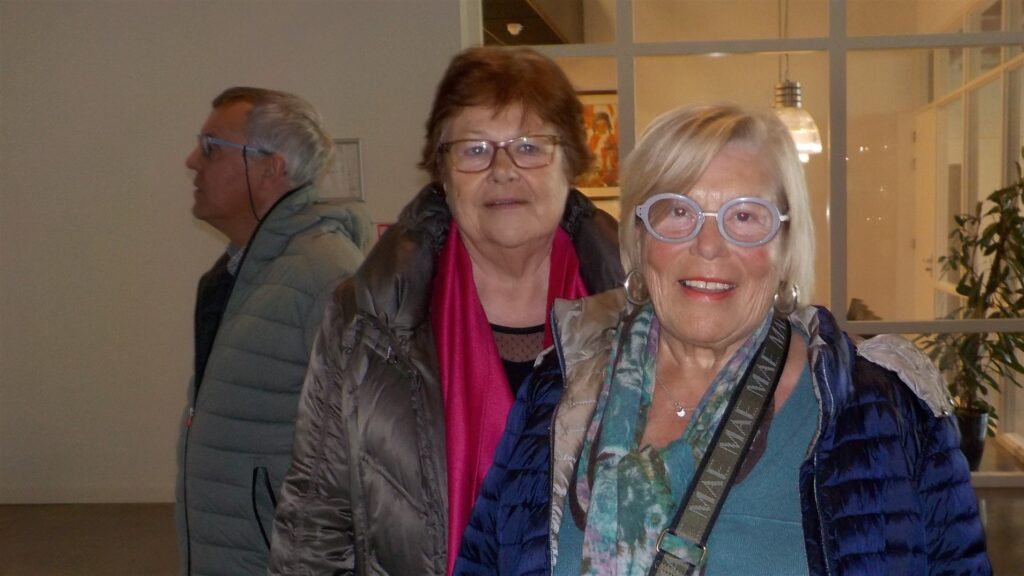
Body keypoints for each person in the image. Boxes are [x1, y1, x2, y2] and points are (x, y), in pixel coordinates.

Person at [456, 104, 992, 575]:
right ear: (640, 239)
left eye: (745, 216)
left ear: (786, 246)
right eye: (678, 211)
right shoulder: (557, 393)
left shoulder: (886, 412)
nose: (709, 245)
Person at [267, 47, 624, 576]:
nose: (502, 171)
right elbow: (316, 520)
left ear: (571, 163)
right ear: (442, 171)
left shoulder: (638, 312)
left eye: (529, 147)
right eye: (474, 150)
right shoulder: (367, 315)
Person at [176, 87, 372, 576]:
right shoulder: (243, 272)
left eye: (211, 148)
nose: (192, 162)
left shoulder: (325, 275)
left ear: (270, 168)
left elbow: (368, 455)